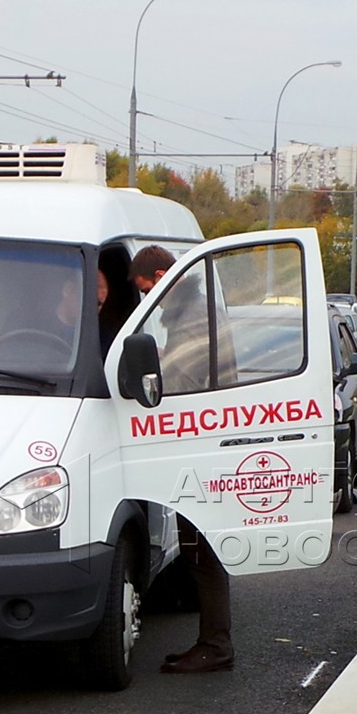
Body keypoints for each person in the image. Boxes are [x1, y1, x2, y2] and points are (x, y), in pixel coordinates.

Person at [130, 246, 232, 676]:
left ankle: (216, 646)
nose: (147, 298)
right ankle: (212, 643)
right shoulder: (193, 306)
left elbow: (184, 377)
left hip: (202, 443)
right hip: (205, 439)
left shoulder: (192, 314)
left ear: (160, 275)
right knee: (196, 548)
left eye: (146, 289)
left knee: (201, 549)